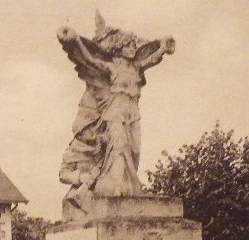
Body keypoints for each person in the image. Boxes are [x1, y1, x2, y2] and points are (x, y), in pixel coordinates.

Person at [57, 13, 175, 217]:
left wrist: (163, 47)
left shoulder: (136, 68)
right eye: (129, 45)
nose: (133, 48)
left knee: (134, 151)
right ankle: (115, 190)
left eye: (133, 45)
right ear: (119, 47)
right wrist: (75, 39)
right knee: (118, 150)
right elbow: (89, 59)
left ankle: (130, 188)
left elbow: (151, 59)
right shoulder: (111, 68)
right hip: (114, 114)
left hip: (133, 114)